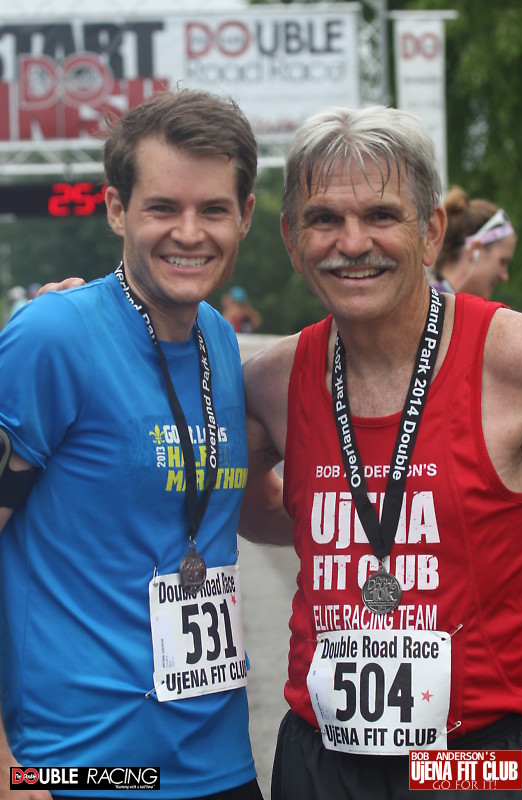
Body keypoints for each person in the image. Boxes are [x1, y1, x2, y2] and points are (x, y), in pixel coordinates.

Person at [239, 105, 522, 799]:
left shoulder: (513, 361)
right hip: (320, 760)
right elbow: (248, 505)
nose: (352, 243)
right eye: (323, 219)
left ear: (430, 232)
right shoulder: (270, 381)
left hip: (473, 760)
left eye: (380, 215)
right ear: (291, 238)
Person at [0, 89, 264, 800]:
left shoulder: (219, 341)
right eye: (162, 208)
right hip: (83, 768)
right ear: (117, 209)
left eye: (213, 210)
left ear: (244, 215)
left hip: (220, 764)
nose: (189, 233)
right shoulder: (54, 336)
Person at [428, 185, 516, 298]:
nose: (505, 276)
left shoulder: (432, 301)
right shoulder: (427, 305)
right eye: (502, 262)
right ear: (475, 250)